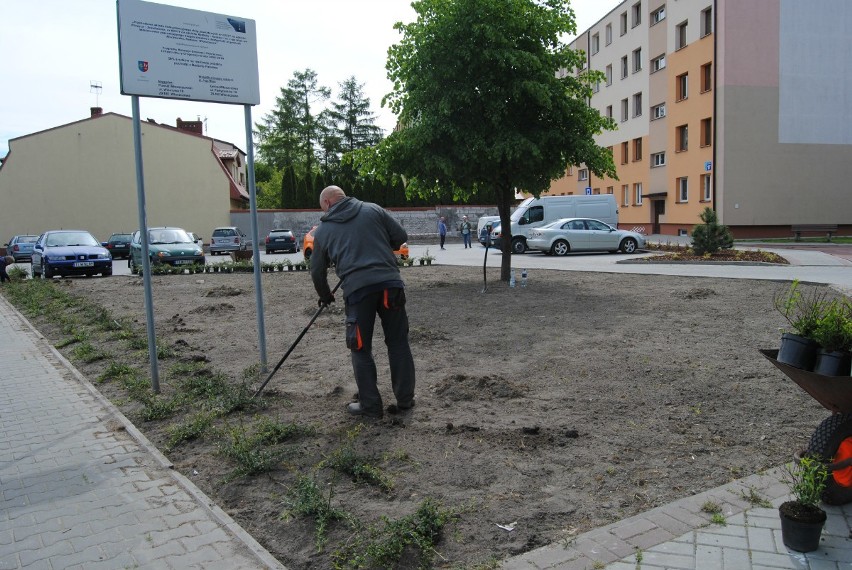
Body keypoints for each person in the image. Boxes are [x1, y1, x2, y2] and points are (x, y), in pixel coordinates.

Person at [310, 186, 416, 419]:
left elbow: (317, 271)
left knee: (360, 348)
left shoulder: (324, 230)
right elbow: (400, 237)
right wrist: (376, 245)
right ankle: (405, 400)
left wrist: (326, 295)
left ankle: (370, 406)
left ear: (327, 204)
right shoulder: (374, 210)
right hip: (390, 286)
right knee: (398, 342)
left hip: (358, 292)